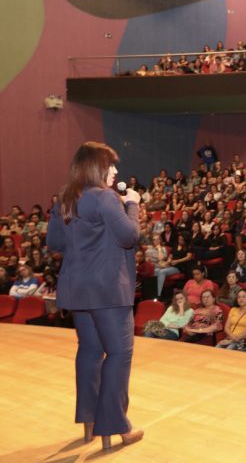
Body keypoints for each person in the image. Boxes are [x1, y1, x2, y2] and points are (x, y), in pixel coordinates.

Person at [46, 142, 144, 449]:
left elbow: (54, 243)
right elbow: (130, 237)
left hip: (78, 290)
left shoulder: (65, 198)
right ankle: (116, 425)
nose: (115, 171)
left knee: (89, 352)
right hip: (109, 290)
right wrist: (132, 205)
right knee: (118, 353)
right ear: (97, 167)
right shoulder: (106, 198)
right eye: (111, 165)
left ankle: (90, 421)